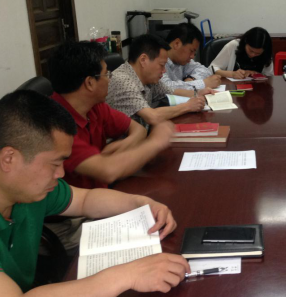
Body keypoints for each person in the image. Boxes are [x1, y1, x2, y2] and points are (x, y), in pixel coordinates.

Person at [0, 91, 190, 297]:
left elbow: (85, 200)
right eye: (54, 164)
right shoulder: (28, 188)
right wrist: (130, 274)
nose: (61, 173)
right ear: (9, 158)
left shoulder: (25, 188)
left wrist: (140, 203)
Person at [49, 41, 174, 190]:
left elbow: (138, 130)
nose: (110, 79)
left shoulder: (94, 105)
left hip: (102, 191)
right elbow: (108, 171)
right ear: (90, 83)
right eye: (106, 74)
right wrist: (156, 142)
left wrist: (122, 146)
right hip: (80, 202)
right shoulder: (55, 126)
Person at [106, 34, 210, 128]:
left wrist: (197, 93)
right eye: (161, 65)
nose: (164, 71)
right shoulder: (123, 81)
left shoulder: (147, 77)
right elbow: (152, 116)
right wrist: (187, 106)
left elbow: (171, 91)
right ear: (143, 60)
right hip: (123, 141)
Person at [160, 23, 222, 94]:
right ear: (177, 44)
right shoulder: (158, 60)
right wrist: (204, 83)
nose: (192, 56)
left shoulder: (181, 60)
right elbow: (164, 88)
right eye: (191, 51)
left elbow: (204, 70)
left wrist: (192, 78)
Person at [210, 27, 274, 79]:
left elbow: (269, 76)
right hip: (231, 88)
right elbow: (212, 69)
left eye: (258, 53)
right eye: (251, 50)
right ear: (245, 42)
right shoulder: (233, 46)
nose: (253, 55)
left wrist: (256, 74)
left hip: (257, 89)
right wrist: (232, 74)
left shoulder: (266, 53)